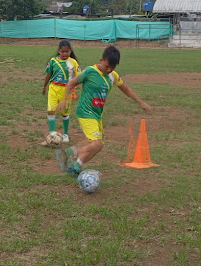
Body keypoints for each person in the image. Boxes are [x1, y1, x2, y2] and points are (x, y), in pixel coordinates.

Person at [55, 45, 151, 176]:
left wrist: (141, 103)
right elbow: (71, 83)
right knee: (97, 143)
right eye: (107, 66)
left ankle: (75, 165)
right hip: (85, 112)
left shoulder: (113, 76)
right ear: (101, 60)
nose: (109, 70)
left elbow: (126, 89)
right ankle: (69, 157)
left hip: (97, 114)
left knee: (98, 145)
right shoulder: (90, 71)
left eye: (113, 67)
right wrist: (63, 101)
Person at [41, 39, 80, 144]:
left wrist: (75, 88)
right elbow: (48, 74)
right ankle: (51, 134)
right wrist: (44, 86)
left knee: (64, 113)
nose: (65, 54)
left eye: (67, 51)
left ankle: (66, 134)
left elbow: (79, 77)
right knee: (51, 111)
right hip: (53, 89)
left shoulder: (73, 63)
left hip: (66, 91)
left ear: (70, 51)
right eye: (62, 51)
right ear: (59, 51)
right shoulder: (53, 61)